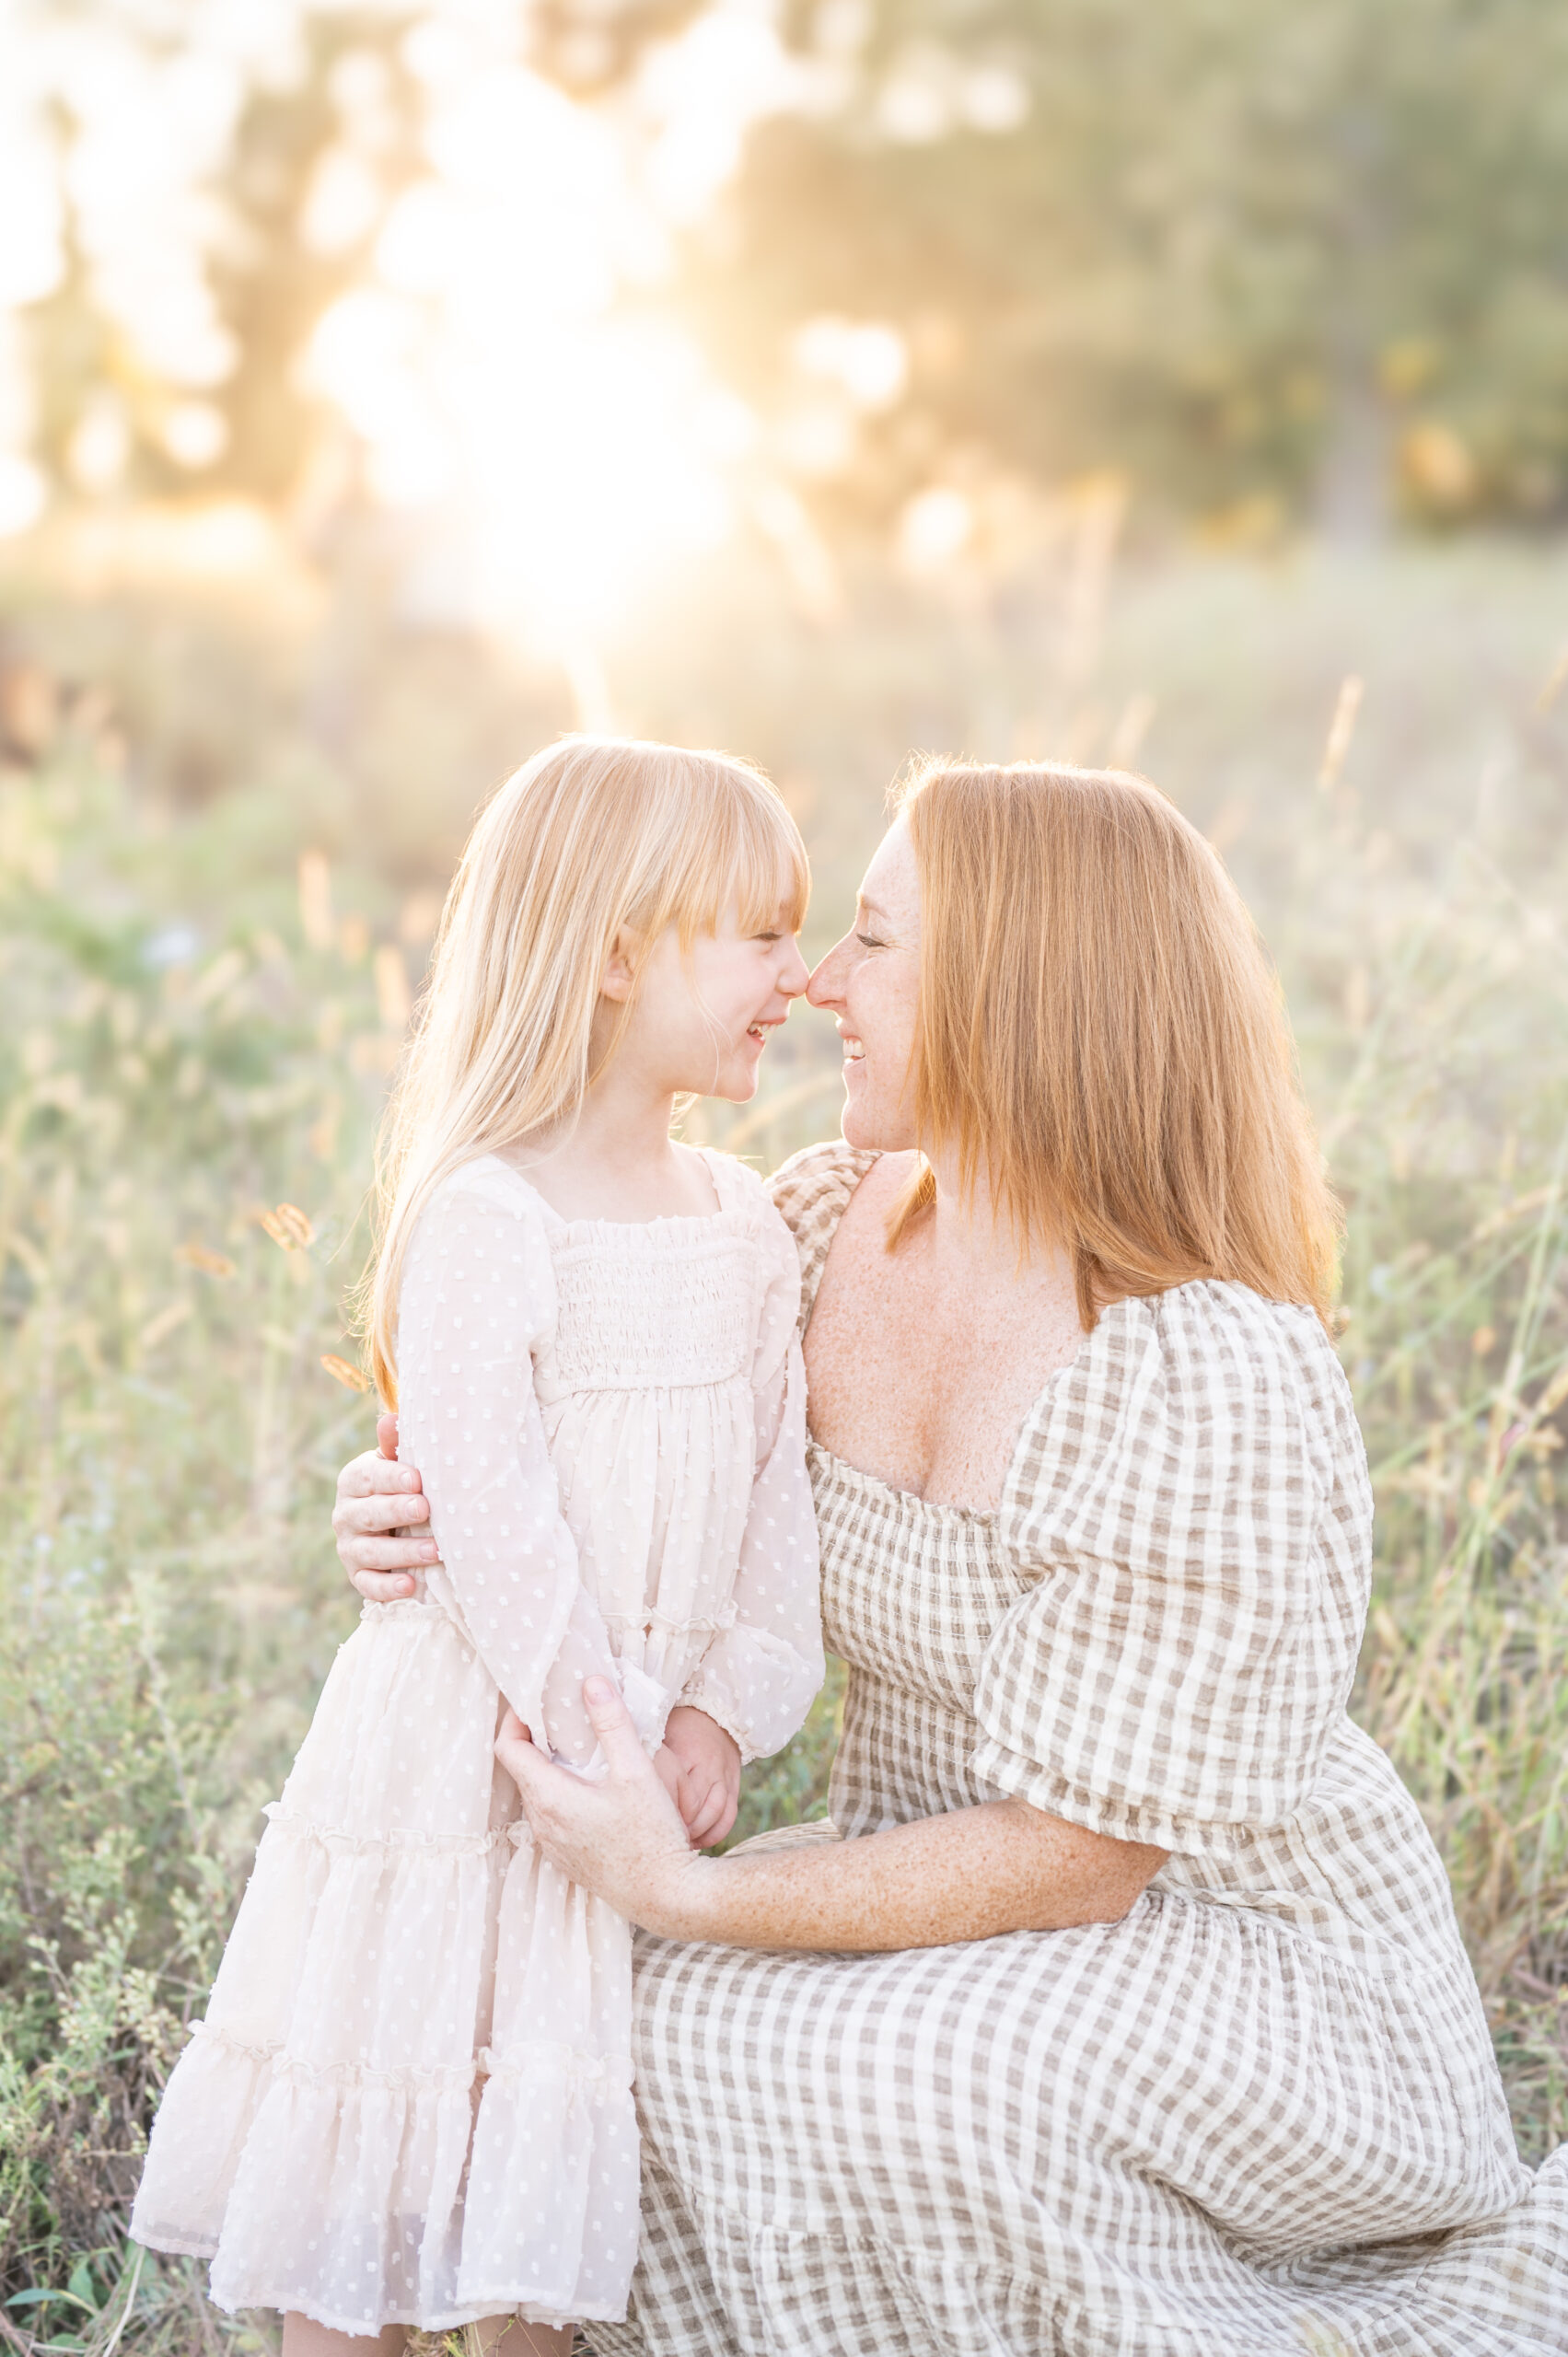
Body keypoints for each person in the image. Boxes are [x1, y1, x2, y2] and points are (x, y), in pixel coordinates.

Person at [335, 760, 1568, 2355]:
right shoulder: (810, 1223)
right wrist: (395, 1503)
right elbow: (563, 1435)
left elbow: (1082, 1861)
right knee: (595, 2020)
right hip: (920, 1880)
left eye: (870, 942)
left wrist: (688, 1890)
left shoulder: (1203, 1365)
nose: (822, 984)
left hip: (1231, 1948)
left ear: (1019, 991)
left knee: (938, 2081)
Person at [131, 739, 827, 2357]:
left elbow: (775, 1509)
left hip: (630, 1788)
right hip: (467, 1767)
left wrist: (723, 1713)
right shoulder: (487, 1218)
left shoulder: (744, 1225)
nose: (795, 975)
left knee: (546, 2205)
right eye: (762, 933)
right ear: (611, 954)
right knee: (375, 2185)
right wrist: (617, 1745)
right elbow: (497, 1528)